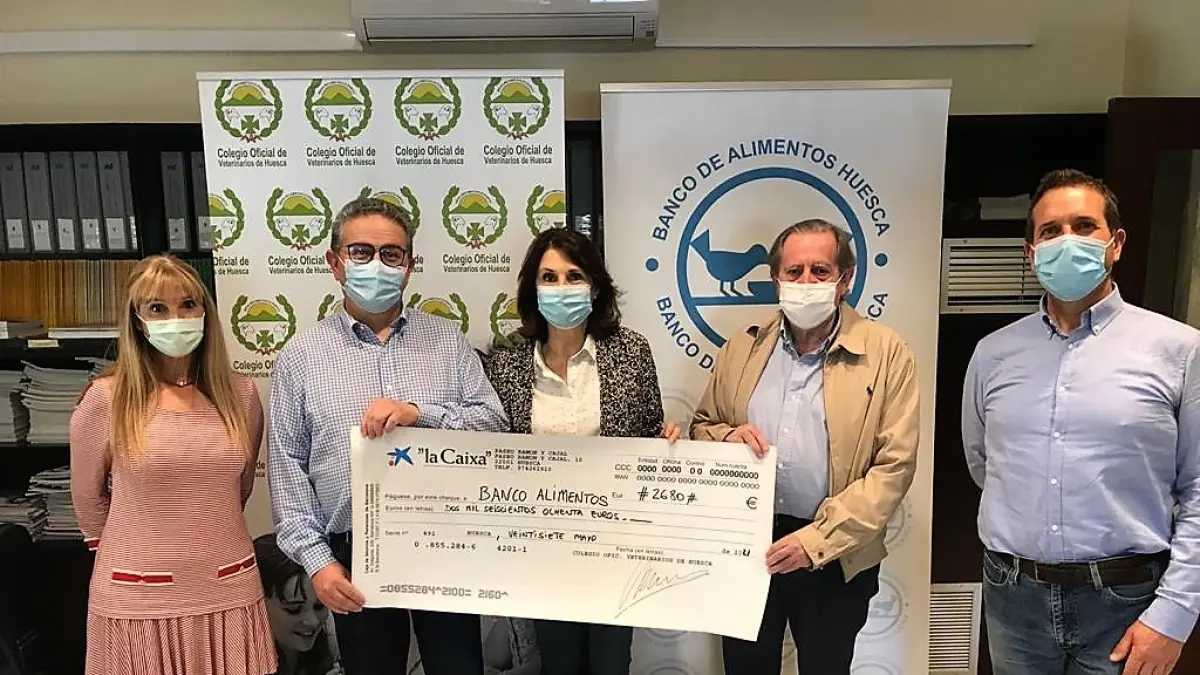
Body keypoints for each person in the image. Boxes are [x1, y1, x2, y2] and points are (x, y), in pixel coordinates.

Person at [963, 169, 1200, 675]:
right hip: (1014, 600)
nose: (1066, 240)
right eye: (1050, 231)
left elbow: (1199, 488)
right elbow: (986, 466)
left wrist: (1175, 616)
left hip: (1128, 601)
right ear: (1031, 253)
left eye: (1084, 226)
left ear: (1116, 244)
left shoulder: (1179, 351)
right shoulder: (993, 355)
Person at [268, 196, 509, 675]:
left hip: (445, 541)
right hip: (354, 553)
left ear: (409, 266)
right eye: (361, 252)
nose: (376, 264)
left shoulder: (446, 341)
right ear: (334, 263)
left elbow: (493, 425)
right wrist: (318, 563)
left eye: (391, 254)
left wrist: (421, 415)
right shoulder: (301, 356)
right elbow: (287, 467)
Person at [690, 219, 919, 675]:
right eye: (793, 272)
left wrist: (816, 541)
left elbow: (893, 468)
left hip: (835, 552)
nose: (806, 282)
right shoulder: (742, 347)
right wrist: (727, 437)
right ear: (776, 279)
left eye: (820, 270)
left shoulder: (887, 353)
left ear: (844, 279)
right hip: (747, 546)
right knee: (746, 669)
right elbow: (702, 427)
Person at [482, 227, 681, 675]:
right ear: (532, 289)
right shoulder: (508, 362)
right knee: (557, 664)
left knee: (611, 664)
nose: (561, 287)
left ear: (595, 286)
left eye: (574, 276)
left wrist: (666, 443)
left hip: (615, 551)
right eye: (548, 277)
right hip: (543, 554)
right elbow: (494, 457)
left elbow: (647, 437)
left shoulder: (631, 352)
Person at [69, 254, 275, 675]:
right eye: (158, 308)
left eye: (188, 305)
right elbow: (88, 500)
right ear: (137, 320)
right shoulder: (106, 399)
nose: (175, 319)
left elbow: (238, 488)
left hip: (228, 586)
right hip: (136, 596)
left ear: (205, 312)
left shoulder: (241, 395)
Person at [255, 533, 344, 675]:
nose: (313, 621)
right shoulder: (234, 663)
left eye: (319, 606)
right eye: (294, 609)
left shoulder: (335, 643)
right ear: (258, 606)